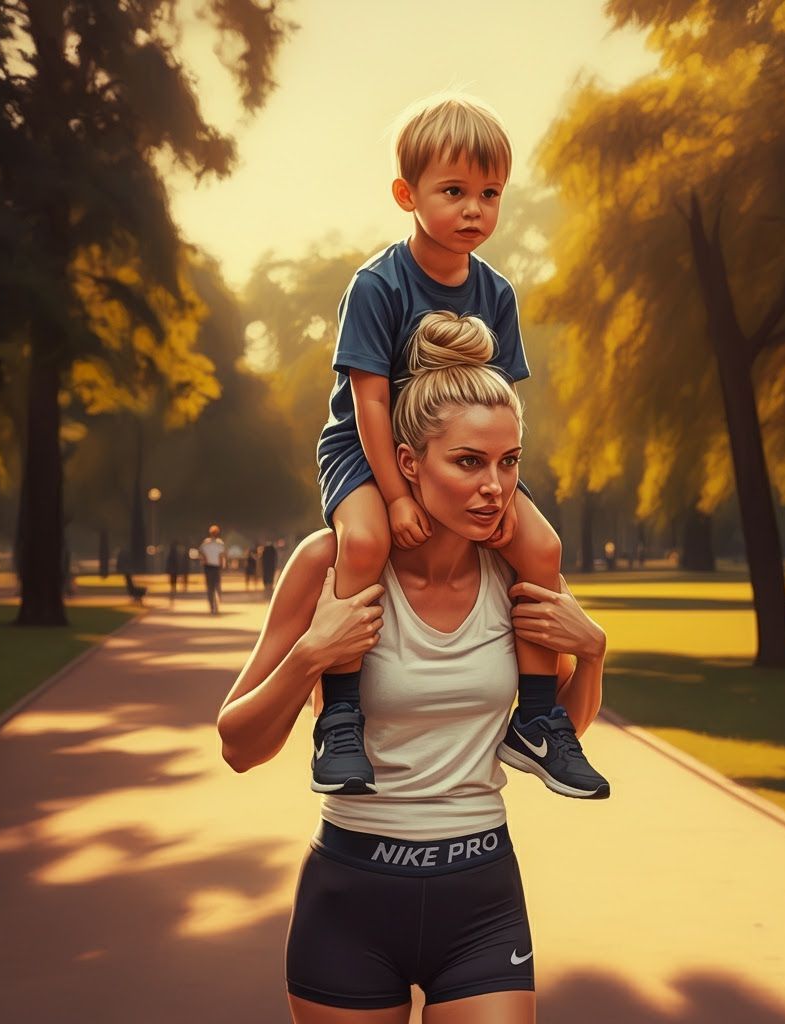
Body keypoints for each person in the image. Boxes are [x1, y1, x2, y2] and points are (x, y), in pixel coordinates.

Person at [218, 328, 608, 1021]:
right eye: (468, 461)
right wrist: (311, 654)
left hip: (483, 897)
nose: (494, 487)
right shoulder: (329, 564)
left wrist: (595, 655)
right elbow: (238, 745)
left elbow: (555, 732)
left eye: (509, 462)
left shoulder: (518, 573)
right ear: (408, 462)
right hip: (350, 901)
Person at [310, 93, 606, 800]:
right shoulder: (377, 285)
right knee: (363, 544)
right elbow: (369, 401)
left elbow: (498, 406)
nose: (474, 209)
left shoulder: (496, 293)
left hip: (461, 453)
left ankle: (537, 718)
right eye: (454, 192)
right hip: (368, 449)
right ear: (406, 195)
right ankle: (341, 715)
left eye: (490, 193)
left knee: (542, 548)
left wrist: (495, 487)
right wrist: (394, 495)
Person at [199, 525, 226, 615]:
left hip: (208, 567)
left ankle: (212, 606)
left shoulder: (205, 543)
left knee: (210, 587)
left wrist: (205, 559)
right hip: (216, 567)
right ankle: (216, 603)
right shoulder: (220, 543)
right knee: (217, 586)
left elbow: (201, 553)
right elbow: (221, 556)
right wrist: (222, 566)